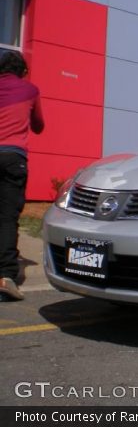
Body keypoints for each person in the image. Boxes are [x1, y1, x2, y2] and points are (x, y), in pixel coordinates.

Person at [0, 51, 44, 301]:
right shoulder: (30, 90)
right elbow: (39, 125)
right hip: (14, 159)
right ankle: (5, 277)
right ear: (23, 71)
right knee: (7, 218)